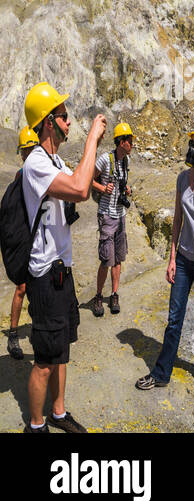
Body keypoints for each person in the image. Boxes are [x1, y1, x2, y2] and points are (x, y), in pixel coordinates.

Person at [20, 82, 106, 433]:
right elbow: (80, 190)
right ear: (48, 122)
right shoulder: (37, 164)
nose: (69, 123)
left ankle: (58, 412)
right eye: (64, 117)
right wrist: (92, 143)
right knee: (43, 360)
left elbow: (80, 182)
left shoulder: (54, 160)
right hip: (44, 276)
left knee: (62, 349)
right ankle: (36, 425)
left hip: (62, 272)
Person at [135, 121, 194, 392]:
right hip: (184, 260)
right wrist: (172, 258)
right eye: (192, 142)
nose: (192, 147)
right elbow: (177, 221)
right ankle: (162, 372)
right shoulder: (181, 179)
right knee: (174, 318)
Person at [89, 122, 134, 317]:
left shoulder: (126, 161)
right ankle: (99, 296)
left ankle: (114, 294)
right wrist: (102, 188)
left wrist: (126, 189)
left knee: (118, 258)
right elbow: (88, 180)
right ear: (121, 142)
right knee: (106, 259)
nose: (132, 144)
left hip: (120, 214)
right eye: (129, 140)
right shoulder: (104, 160)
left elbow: (122, 182)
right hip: (107, 214)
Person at [7, 128, 40, 360]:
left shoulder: (40, 171)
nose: (28, 153)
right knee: (22, 287)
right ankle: (13, 334)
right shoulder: (21, 175)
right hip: (26, 238)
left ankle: (39, 328)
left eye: (30, 149)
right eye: (26, 150)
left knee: (37, 286)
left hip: (38, 238)